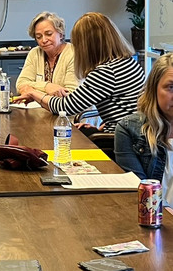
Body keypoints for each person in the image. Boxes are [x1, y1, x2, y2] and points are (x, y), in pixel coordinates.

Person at [14, 12, 145, 134]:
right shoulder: (128, 63)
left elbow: (65, 106)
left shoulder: (106, 72)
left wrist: (33, 92)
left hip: (123, 141)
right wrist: (98, 129)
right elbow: (124, 109)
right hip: (131, 136)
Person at [115, 53, 173, 207]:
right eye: (171, 87)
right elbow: (142, 193)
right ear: (154, 89)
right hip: (157, 219)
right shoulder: (128, 130)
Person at [16, 11, 80, 97]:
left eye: (49, 34)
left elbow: (70, 93)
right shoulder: (34, 53)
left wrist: (33, 91)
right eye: (38, 36)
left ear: (60, 34)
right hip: (38, 109)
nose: (44, 40)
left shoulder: (73, 53)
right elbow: (20, 85)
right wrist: (47, 87)